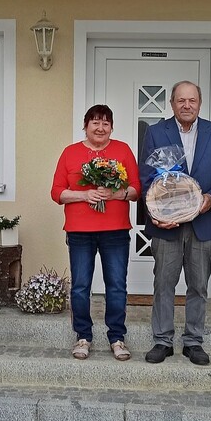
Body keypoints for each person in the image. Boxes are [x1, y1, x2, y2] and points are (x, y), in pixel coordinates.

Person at [139, 81, 211, 366]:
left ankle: (193, 342)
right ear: (172, 103)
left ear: (199, 103)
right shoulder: (156, 132)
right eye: (181, 100)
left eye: (192, 100)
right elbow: (146, 178)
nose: (186, 105)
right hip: (165, 225)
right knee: (163, 284)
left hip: (203, 222)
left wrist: (210, 198)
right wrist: (157, 212)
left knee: (198, 286)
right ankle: (162, 341)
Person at [51, 104, 141, 361]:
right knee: (80, 286)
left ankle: (117, 337)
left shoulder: (122, 150)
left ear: (111, 127)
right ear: (86, 125)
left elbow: (136, 190)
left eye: (106, 123)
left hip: (115, 230)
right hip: (80, 231)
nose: (100, 128)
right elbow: (57, 192)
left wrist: (116, 193)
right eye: (95, 122)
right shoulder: (70, 152)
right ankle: (83, 336)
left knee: (116, 286)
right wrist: (84, 195)